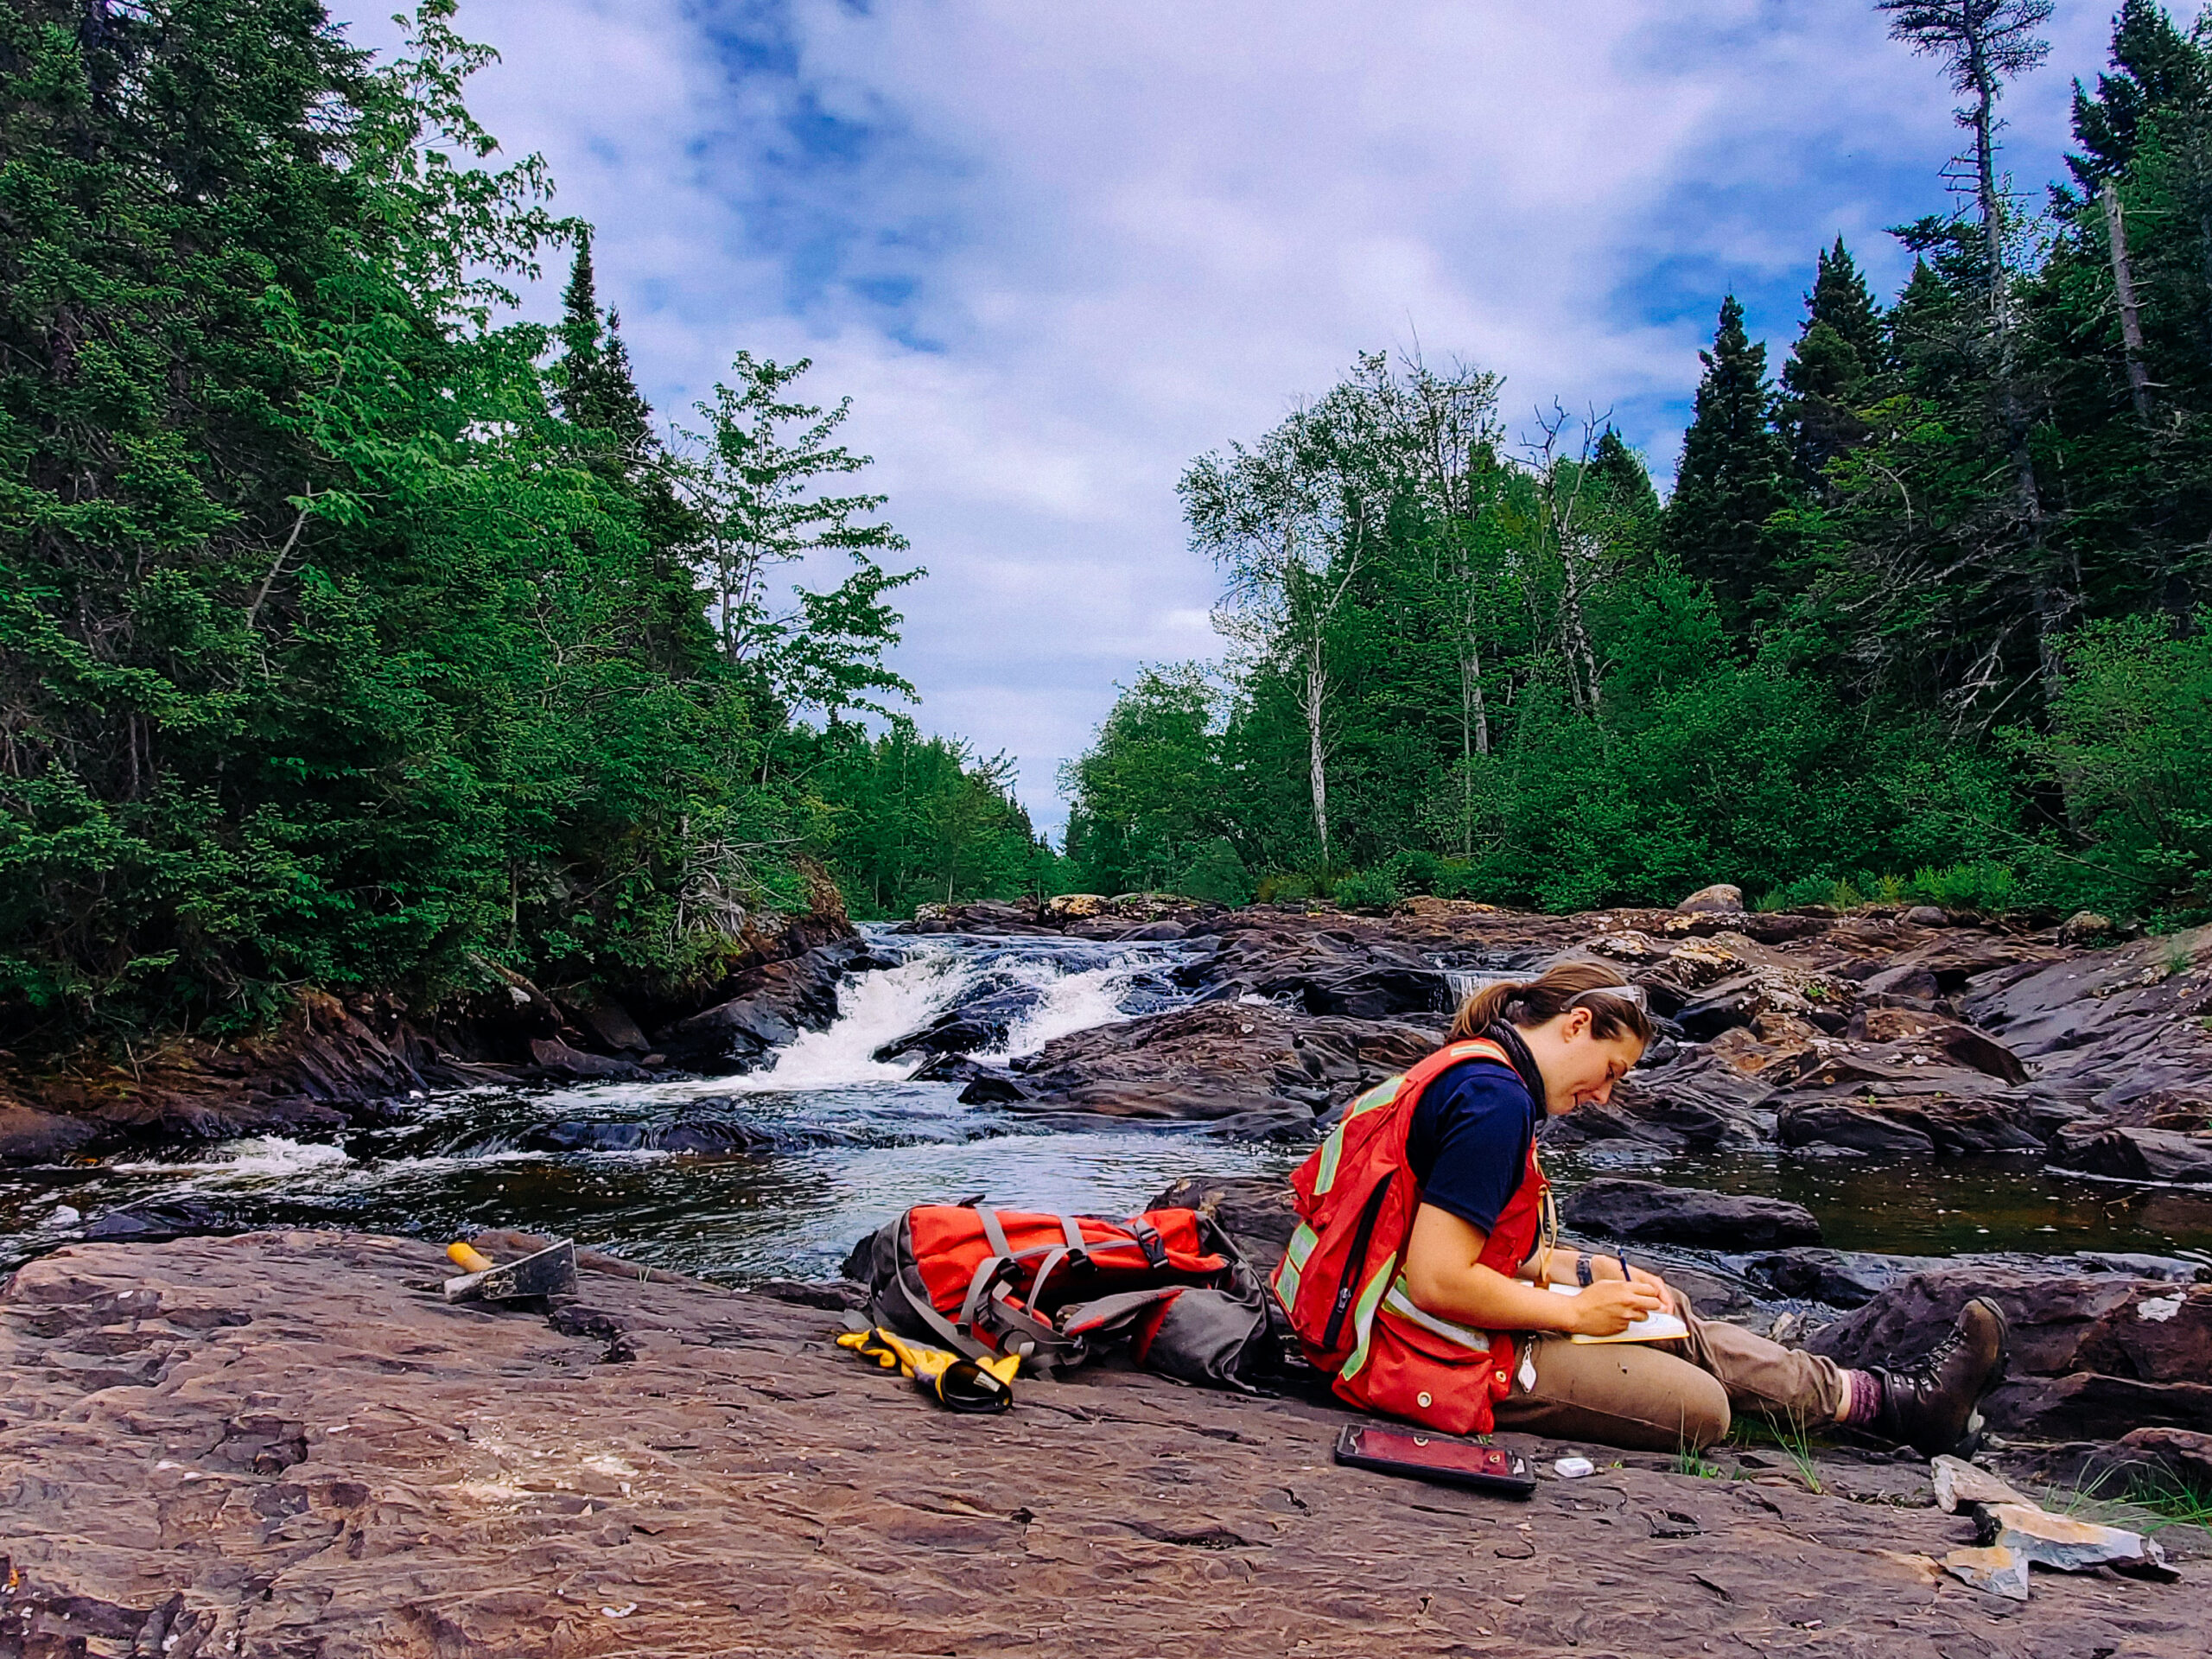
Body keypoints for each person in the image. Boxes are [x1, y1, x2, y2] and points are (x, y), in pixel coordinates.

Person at [1274, 960, 2009, 1454]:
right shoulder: (1493, 1102)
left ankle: (1890, 1403)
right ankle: (1895, 1406)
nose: (1605, 1095)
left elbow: (1437, 1235)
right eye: (1612, 1070)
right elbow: (1437, 1279)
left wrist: (1582, 1270)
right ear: (1577, 1024)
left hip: (1376, 1323)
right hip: (1410, 1353)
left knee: (1662, 1311)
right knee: (1702, 1411)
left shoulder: (1472, 1070)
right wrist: (1571, 1313)